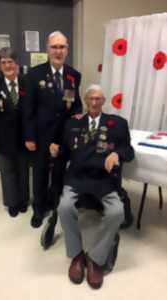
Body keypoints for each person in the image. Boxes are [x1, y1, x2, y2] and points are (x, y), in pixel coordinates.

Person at [50, 84, 134, 289]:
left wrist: (117, 154)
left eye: (98, 99)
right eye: (91, 99)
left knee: (116, 212)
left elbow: (128, 151)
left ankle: (95, 258)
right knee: (64, 207)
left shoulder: (118, 124)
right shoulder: (72, 123)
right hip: (77, 178)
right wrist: (55, 150)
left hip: (105, 180)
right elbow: (64, 152)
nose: (94, 102)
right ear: (85, 101)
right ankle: (77, 255)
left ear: (103, 101)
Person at [23, 31, 82, 228]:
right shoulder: (34, 74)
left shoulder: (73, 76)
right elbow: (28, 109)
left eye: (62, 47)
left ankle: (55, 205)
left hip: (62, 137)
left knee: (58, 174)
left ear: (67, 49)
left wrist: (76, 129)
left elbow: (74, 106)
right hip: (41, 137)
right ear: (48, 49)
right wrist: (29, 136)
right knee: (40, 174)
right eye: (54, 47)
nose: (58, 51)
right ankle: (39, 209)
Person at [0, 47, 29, 217]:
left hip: (24, 138)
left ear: (16, 63)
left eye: (10, 61)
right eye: (3, 62)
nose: (8, 65)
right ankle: (12, 202)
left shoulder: (26, 82)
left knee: (23, 171)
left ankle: (23, 199)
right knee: (8, 172)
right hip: (3, 139)